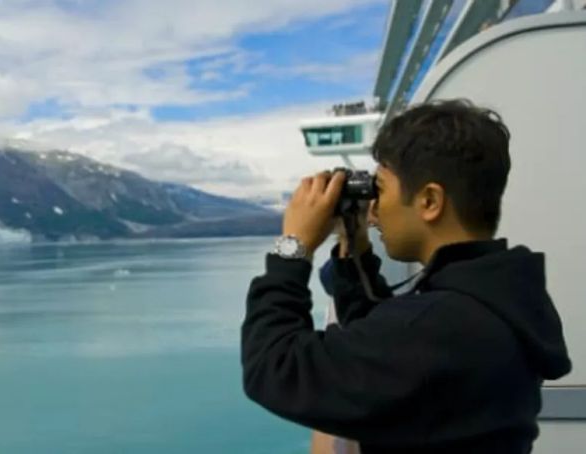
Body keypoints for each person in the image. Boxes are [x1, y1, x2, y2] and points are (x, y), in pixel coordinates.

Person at [241, 99, 571, 453]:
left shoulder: (440, 327)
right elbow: (379, 341)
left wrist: (294, 246)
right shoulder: (498, 299)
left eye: (379, 190)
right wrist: (353, 247)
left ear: (430, 201)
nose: (373, 213)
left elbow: (274, 368)